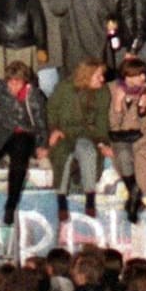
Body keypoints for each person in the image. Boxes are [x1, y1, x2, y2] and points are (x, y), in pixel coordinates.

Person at [0, 60, 48, 227]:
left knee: (19, 165)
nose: (13, 85)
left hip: (22, 132)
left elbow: (41, 121)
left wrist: (42, 144)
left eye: (17, 82)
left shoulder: (33, 95)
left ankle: (10, 205)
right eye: (10, 81)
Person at [47, 58, 111, 222]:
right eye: (98, 76)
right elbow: (51, 110)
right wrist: (53, 130)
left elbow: (102, 121)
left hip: (86, 134)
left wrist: (102, 142)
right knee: (63, 155)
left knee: (88, 152)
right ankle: (61, 199)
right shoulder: (64, 89)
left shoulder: (103, 93)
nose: (102, 79)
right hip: (64, 132)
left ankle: (90, 197)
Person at [106, 56, 146, 224]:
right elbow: (112, 124)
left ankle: (133, 198)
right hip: (118, 135)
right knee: (122, 155)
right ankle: (135, 194)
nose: (143, 78)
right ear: (127, 76)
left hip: (139, 135)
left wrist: (143, 108)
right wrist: (116, 105)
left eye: (144, 74)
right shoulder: (111, 89)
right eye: (139, 75)